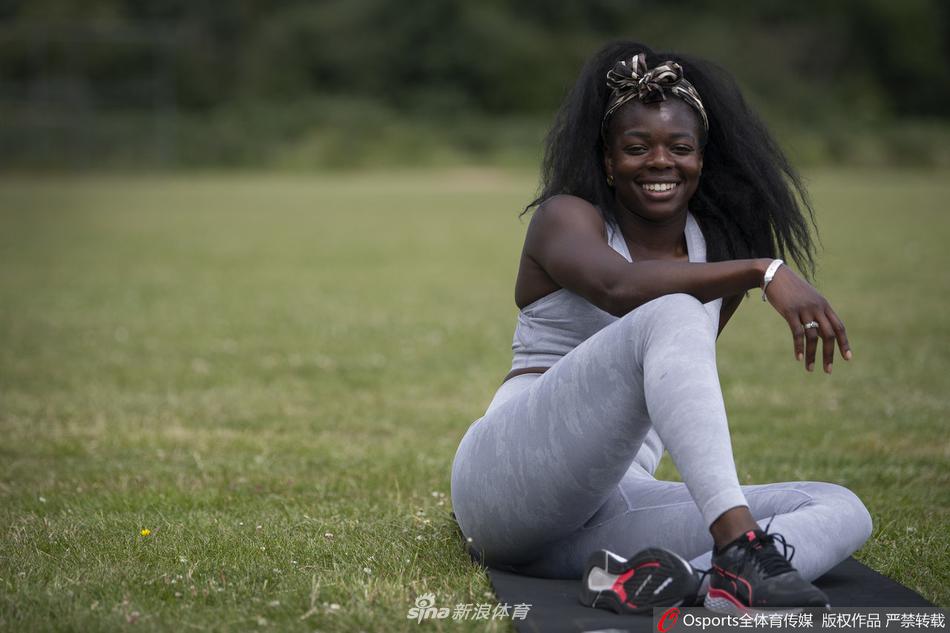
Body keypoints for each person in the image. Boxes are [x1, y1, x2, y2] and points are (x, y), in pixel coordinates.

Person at [449, 41, 874, 615]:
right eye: (636, 147)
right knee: (672, 305)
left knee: (842, 507)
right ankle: (739, 546)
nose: (659, 162)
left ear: (702, 157)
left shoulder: (712, 246)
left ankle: (696, 583)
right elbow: (620, 288)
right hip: (509, 481)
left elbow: (676, 382)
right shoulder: (566, 218)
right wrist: (765, 270)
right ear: (607, 159)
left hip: (610, 508)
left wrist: (749, 265)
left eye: (679, 147)